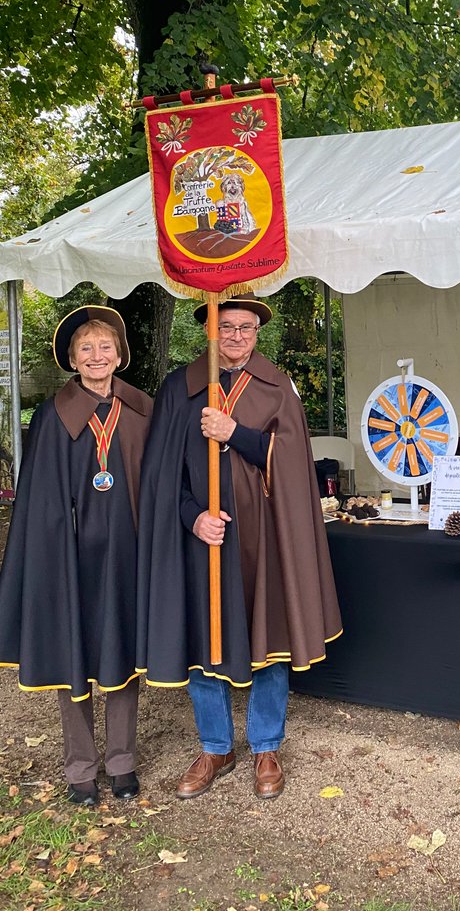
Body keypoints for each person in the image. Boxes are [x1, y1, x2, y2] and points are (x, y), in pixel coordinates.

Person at [137, 295, 341, 800]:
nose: (234, 336)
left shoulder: (276, 388)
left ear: (257, 333)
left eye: (245, 328)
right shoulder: (178, 389)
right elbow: (160, 476)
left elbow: (293, 462)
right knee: (206, 641)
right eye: (224, 326)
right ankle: (215, 746)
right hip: (204, 539)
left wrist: (237, 434)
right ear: (209, 329)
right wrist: (193, 518)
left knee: (267, 637)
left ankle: (266, 745)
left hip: (263, 539)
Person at [0, 306, 153, 805]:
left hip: (126, 554)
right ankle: (81, 766)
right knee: (76, 655)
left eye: (105, 346)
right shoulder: (52, 416)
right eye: (85, 348)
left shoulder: (139, 411)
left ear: (119, 354)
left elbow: (154, 483)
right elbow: (40, 497)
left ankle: (122, 762)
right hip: (74, 558)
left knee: (122, 653)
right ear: (71, 357)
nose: (96, 355)